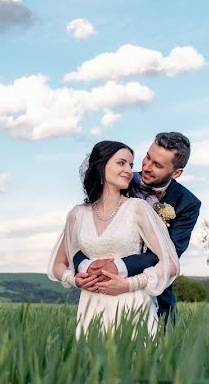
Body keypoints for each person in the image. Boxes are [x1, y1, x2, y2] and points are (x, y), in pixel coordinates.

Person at [47, 140, 180, 338]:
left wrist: (130, 284)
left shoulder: (138, 208)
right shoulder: (77, 214)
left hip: (131, 303)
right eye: (121, 163)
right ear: (101, 166)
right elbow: (58, 263)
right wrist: (75, 280)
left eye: (131, 165)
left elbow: (170, 263)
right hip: (91, 305)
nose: (129, 170)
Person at [73, 132, 201, 328]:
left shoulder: (187, 203)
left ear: (176, 173)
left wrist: (119, 266)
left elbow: (168, 256)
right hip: (102, 292)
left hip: (154, 292)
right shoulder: (119, 180)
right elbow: (84, 233)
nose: (146, 167)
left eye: (158, 165)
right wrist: (87, 267)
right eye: (148, 157)